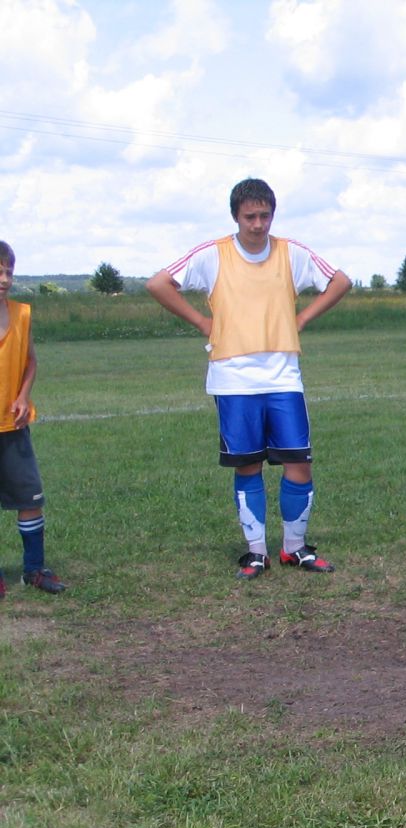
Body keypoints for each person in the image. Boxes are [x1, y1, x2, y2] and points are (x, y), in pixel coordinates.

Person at [145, 178, 352, 580]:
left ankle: (294, 548)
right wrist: (202, 321)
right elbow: (158, 284)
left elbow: (340, 281)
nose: (258, 224)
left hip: (283, 376)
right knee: (248, 466)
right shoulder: (213, 254)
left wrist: (302, 318)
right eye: (250, 216)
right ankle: (256, 553)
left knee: (299, 463)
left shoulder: (292, 253)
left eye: (265, 216)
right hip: (234, 380)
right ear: (236, 217)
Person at [0, 241, 65, 597]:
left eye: (8, 271)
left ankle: (34, 570)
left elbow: (30, 362)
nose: (4, 279)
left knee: (30, 498)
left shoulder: (21, 314)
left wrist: (23, 396)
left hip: (12, 425)